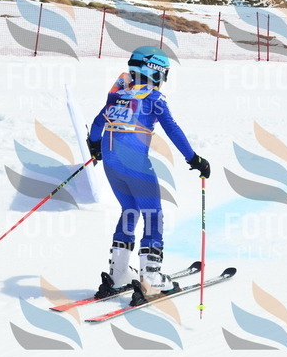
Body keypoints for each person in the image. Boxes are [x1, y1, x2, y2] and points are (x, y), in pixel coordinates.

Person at [86, 46, 210, 298]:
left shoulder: (119, 94)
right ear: (154, 72)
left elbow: (98, 123)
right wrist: (194, 159)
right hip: (136, 165)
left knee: (129, 209)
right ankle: (151, 278)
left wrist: (95, 147)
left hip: (111, 163)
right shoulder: (154, 98)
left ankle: (118, 273)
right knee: (153, 215)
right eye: (164, 74)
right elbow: (172, 129)